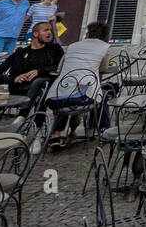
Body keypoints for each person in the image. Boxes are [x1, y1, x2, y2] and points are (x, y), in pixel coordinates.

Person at [45, 21, 112, 149]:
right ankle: (104, 130)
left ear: (87, 34)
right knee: (102, 96)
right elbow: (103, 68)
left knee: (66, 94)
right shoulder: (104, 47)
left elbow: (60, 68)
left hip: (55, 97)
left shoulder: (72, 46)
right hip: (82, 98)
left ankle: (56, 134)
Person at [0, 21, 64, 111]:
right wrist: (14, 79)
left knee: (38, 83)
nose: (49, 33)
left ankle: (24, 117)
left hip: (39, 88)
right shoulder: (20, 52)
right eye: (46, 30)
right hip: (15, 88)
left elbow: (61, 67)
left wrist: (39, 71)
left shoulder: (54, 49)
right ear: (35, 34)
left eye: (50, 30)